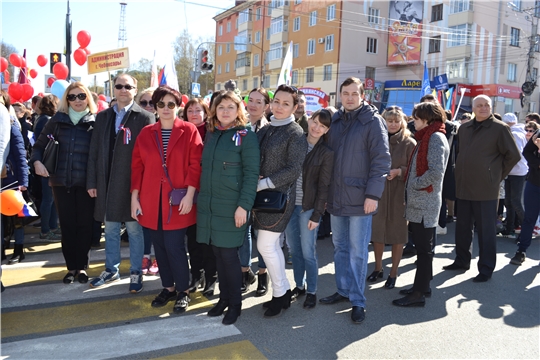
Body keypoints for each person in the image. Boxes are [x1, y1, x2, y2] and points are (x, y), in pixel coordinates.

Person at [319, 77, 390, 324]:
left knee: (358, 252)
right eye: (345, 93)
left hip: (361, 199)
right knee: (339, 247)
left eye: (354, 93)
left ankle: (358, 301)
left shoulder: (372, 122)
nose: (349, 98)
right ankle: (342, 290)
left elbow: (381, 160)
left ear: (362, 96)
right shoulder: (335, 121)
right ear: (339, 95)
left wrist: (373, 194)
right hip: (337, 198)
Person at [131, 85, 203, 314]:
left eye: (170, 104)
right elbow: (137, 167)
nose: (165, 108)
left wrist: (190, 195)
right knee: (159, 247)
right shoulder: (146, 133)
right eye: (160, 104)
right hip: (151, 200)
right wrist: (135, 198)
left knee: (174, 247)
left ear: (178, 106)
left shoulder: (189, 130)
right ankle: (168, 287)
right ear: (155, 106)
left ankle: (183, 291)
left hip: (178, 200)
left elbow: (195, 166)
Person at [87, 74, 155, 293]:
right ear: (113, 89)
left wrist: (143, 189)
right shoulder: (103, 116)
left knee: (135, 231)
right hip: (106, 183)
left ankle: (136, 271)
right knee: (112, 230)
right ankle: (111, 269)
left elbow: (149, 158)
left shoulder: (144, 117)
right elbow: (94, 152)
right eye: (119, 86)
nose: (123, 89)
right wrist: (92, 181)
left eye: (128, 86)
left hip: (132, 185)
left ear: (135, 90)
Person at [197, 91, 259, 325]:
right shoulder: (213, 134)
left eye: (230, 107)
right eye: (221, 106)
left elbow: (252, 175)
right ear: (214, 110)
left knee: (229, 257)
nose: (225, 111)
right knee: (218, 255)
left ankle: (235, 304)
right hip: (211, 206)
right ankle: (223, 299)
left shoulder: (246, 135)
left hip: (233, 207)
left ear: (238, 110)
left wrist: (244, 206)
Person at [444, 95, 521, 282]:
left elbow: (513, 156)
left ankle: (486, 268)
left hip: (486, 189)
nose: (483, 108)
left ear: (491, 107)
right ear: (473, 108)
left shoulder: (500, 128)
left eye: (487, 105)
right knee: (462, 228)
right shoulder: (464, 128)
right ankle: (462, 260)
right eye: (479, 105)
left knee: (486, 232)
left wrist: (495, 176)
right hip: (464, 186)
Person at [31, 82, 97, 284]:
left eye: (81, 96)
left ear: (88, 98)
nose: (77, 100)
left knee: (85, 226)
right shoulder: (56, 121)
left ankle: (83, 267)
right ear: (66, 100)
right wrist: (36, 162)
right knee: (67, 227)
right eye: (72, 97)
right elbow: (38, 146)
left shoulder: (96, 122)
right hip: (61, 183)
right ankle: (71, 268)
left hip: (87, 184)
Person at [253, 84, 307, 317]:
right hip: (261, 198)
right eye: (277, 101)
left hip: (279, 199)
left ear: (295, 107)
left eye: (286, 103)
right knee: (270, 246)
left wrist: (263, 183)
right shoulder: (266, 128)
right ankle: (282, 292)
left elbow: (294, 169)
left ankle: (279, 293)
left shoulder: (295, 132)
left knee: (266, 245)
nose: (279, 106)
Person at [393, 102, 449, 307]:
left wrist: (414, 184)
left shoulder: (434, 137)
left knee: (424, 250)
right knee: (424, 249)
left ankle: (418, 294)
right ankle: (422, 286)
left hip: (425, 202)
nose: (412, 121)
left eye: (415, 118)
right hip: (420, 202)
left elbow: (435, 172)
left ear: (426, 119)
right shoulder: (427, 136)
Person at [284, 109, 334, 309]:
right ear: (310, 120)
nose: (316, 128)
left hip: (308, 209)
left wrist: (317, 214)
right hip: (288, 206)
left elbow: (324, 187)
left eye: (322, 126)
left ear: (326, 130)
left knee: (308, 252)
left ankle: (312, 290)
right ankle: (300, 285)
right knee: (294, 250)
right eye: (315, 122)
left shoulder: (326, 153)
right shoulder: (296, 141)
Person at [369, 106, 416, 289]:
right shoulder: (376, 140)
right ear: (384, 121)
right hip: (378, 193)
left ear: (402, 122)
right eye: (390, 120)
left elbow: (415, 170)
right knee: (378, 233)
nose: (393, 124)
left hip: (399, 194)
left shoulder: (409, 143)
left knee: (398, 235)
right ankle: (378, 268)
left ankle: (393, 272)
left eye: (397, 121)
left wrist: (400, 171)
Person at [182, 98, 218, 296]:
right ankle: (196, 274)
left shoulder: (213, 133)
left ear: (205, 113)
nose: (194, 114)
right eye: (190, 111)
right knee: (193, 239)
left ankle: (211, 278)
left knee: (209, 240)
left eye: (198, 110)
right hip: (188, 193)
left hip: (209, 192)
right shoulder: (182, 132)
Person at [238, 87, 271, 296]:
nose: (254, 104)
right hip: (240, 187)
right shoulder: (238, 125)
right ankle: (244, 272)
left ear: (267, 106)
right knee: (242, 232)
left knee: (261, 234)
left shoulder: (270, 129)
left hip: (262, 187)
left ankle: (262, 274)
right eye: (252, 100)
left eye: (260, 101)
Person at [33, 95, 61, 242]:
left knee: (50, 198)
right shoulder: (47, 120)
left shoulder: (40, 119)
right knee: (48, 199)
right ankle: (46, 230)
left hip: (46, 163)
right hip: (48, 163)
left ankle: (52, 227)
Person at [510, 126, 540, 265]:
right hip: (534, 183)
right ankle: (521, 251)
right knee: (529, 218)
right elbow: (527, 152)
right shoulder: (538, 134)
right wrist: (538, 164)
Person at [136, 88, 159, 276]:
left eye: (153, 103)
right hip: (143, 183)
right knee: (145, 223)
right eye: (144, 103)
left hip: (164, 185)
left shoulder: (167, 124)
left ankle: (158, 257)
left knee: (161, 224)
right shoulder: (136, 125)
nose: (149, 106)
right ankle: (145, 255)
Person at [2, 114, 29, 265]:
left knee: (17, 219)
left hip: (12, 182)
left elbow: (20, 157)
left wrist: (23, 182)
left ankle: (18, 250)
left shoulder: (11, 126)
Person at [500, 113, 528, 238]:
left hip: (517, 172)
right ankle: (510, 228)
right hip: (515, 171)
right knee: (509, 201)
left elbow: (516, 155)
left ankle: (526, 230)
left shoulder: (514, 134)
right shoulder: (518, 133)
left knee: (515, 202)